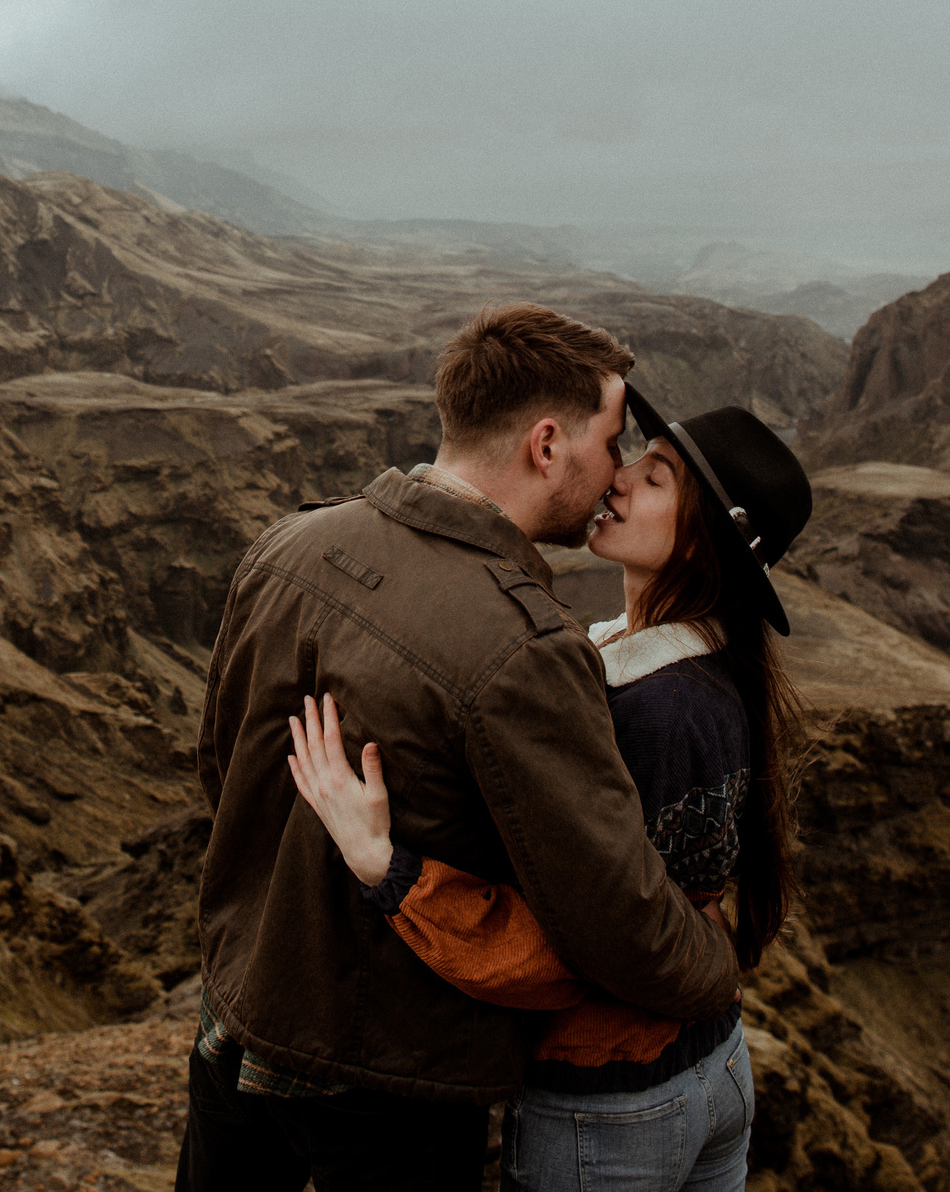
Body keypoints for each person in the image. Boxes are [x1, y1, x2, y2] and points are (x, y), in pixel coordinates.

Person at [179, 305, 743, 1192]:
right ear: (547, 444)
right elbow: (616, 920)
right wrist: (720, 959)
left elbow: (223, 765)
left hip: (235, 1017)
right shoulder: (526, 649)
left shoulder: (286, 544)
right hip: (390, 1082)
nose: (615, 473)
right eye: (612, 440)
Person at [287, 383, 813, 1192]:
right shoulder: (709, 674)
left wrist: (385, 867)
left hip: (615, 1105)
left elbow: (579, 950)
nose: (619, 476)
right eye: (635, 455)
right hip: (710, 1068)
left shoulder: (652, 711)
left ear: (702, 541)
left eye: (658, 476)